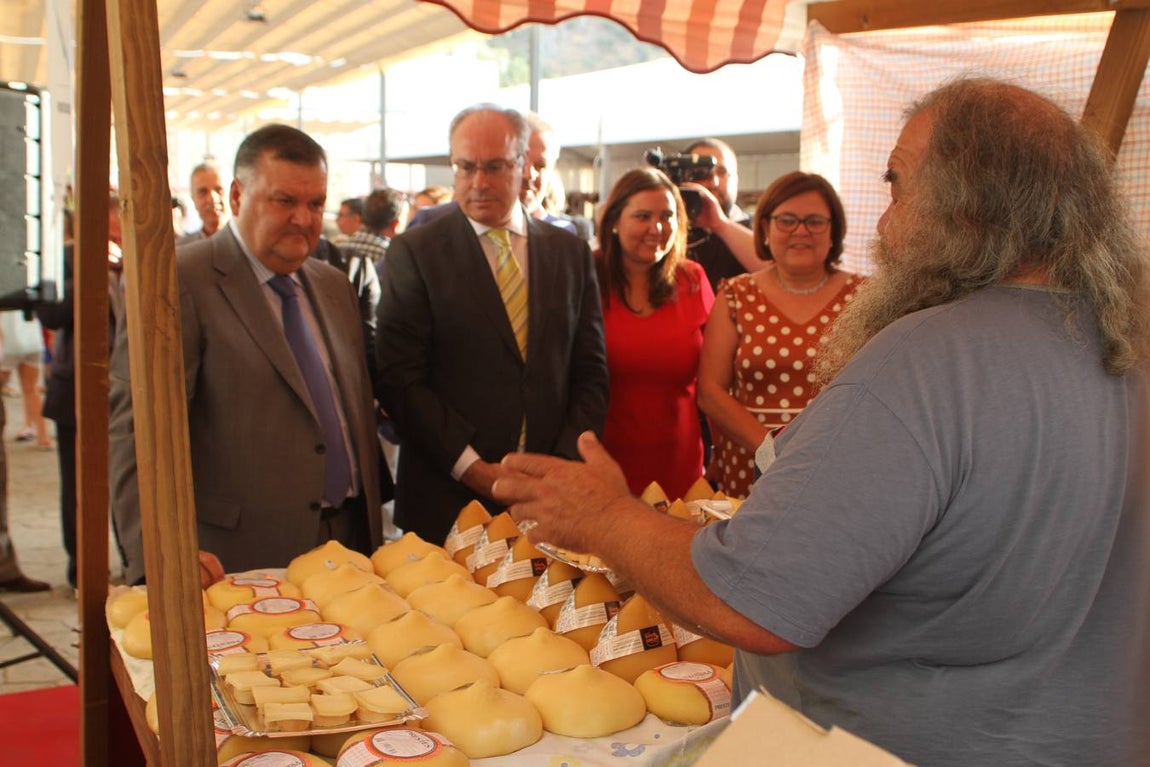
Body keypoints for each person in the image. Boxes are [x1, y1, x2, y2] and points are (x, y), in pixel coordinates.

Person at [492, 78, 1150, 766]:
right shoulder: (1120, 335)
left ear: (968, 204)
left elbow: (752, 600)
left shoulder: (925, 363)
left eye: (896, 186)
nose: (883, 225)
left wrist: (604, 516)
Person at [110, 124, 389, 584]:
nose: (304, 218)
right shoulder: (178, 281)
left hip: (352, 543)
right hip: (238, 558)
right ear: (237, 197)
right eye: (284, 201)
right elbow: (137, 431)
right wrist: (155, 553)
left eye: (316, 203)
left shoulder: (332, 283)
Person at [376, 103, 608, 546]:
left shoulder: (569, 253)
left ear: (524, 166)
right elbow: (400, 379)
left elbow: (590, 371)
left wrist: (557, 466)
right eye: (466, 167)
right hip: (447, 499)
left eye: (496, 167)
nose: (479, 182)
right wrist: (473, 468)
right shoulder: (416, 252)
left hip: (551, 499)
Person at [697, 172, 862, 498]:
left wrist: (807, 454)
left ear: (834, 231)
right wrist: (771, 450)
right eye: (787, 220)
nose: (801, 231)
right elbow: (710, 391)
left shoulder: (864, 297)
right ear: (766, 228)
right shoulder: (736, 295)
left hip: (836, 465)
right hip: (751, 463)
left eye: (814, 221)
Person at [596, 167, 713, 500]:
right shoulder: (586, 278)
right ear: (614, 221)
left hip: (681, 465)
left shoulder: (693, 279)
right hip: (605, 468)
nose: (657, 228)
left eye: (667, 216)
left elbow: (716, 380)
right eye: (643, 216)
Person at [38, 191, 124, 588]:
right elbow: (51, 314)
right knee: (77, 484)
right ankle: (82, 570)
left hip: (124, 394)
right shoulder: (69, 257)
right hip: (76, 389)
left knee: (125, 479)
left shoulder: (137, 257)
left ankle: (130, 559)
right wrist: (90, 272)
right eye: (117, 214)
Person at [679, 138, 758, 292]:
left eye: (722, 172)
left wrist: (720, 225)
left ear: (735, 179)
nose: (713, 181)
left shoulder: (761, 227)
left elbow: (779, 271)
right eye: (701, 172)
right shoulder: (668, 230)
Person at [178, 162, 227, 243]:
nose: (212, 199)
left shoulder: (249, 245)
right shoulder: (184, 250)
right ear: (193, 198)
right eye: (203, 192)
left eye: (218, 190)